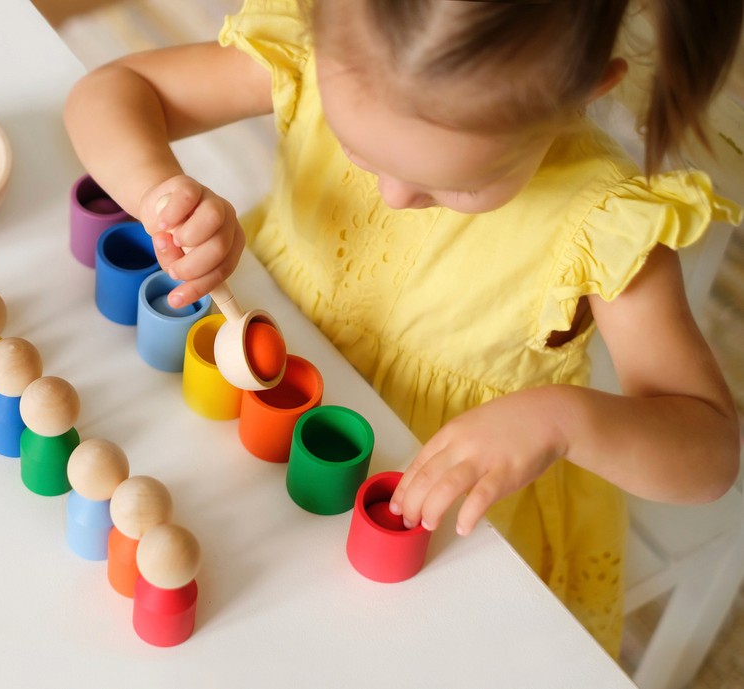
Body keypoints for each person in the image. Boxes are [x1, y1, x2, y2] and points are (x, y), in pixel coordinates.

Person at [64, 0, 742, 655]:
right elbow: (110, 92)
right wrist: (160, 194)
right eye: (358, 151)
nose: (394, 196)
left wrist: (563, 420)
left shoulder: (603, 223)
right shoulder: (319, 49)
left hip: (429, 507)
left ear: (582, 92)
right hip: (249, 423)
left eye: (459, 186)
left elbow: (710, 453)